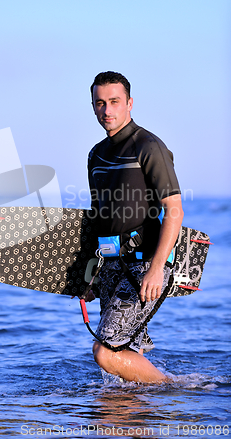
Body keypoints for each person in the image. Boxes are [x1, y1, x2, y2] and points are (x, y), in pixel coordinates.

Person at [87, 71, 183, 383]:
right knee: (128, 350)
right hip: (112, 264)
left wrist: (157, 268)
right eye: (100, 103)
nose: (107, 110)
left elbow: (174, 211)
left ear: (129, 103)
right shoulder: (96, 155)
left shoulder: (148, 145)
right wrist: (90, 274)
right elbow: (99, 217)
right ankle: (137, 422)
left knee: (106, 352)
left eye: (114, 101)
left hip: (146, 264)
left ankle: (175, 390)